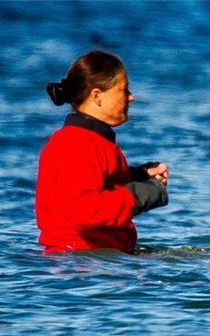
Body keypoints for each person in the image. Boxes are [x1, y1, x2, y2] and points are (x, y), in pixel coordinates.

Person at [35, 50, 169, 254]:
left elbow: (97, 181)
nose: (131, 97)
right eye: (124, 90)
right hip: (80, 265)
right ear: (97, 96)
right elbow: (83, 211)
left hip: (94, 259)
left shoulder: (91, 140)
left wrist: (140, 175)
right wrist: (140, 194)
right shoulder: (75, 143)